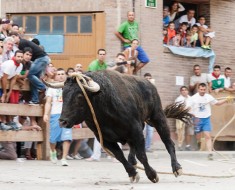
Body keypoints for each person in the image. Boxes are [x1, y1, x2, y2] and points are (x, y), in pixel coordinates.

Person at [188, 83, 230, 160]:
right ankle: (199, 142)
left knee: (207, 136)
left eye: (204, 90)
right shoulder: (193, 98)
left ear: (206, 89)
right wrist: (192, 114)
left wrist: (226, 100)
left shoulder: (208, 97)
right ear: (198, 89)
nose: (202, 91)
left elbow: (217, 103)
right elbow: (188, 108)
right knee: (198, 135)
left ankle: (210, 153)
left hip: (206, 118)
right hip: (197, 118)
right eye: (201, 89)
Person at [10, 32, 50, 105]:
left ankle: (44, 88)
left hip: (41, 58)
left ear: (18, 37)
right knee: (33, 81)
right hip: (41, 59)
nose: (13, 39)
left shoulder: (22, 43)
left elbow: (23, 54)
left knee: (30, 75)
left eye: (14, 36)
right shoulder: (21, 44)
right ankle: (35, 100)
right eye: (11, 37)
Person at [43, 68, 72, 166]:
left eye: (63, 74)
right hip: (55, 114)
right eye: (58, 74)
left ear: (66, 75)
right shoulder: (52, 88)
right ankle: (53, 151)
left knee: (67, 137)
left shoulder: (70, 87)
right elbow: (48, 102)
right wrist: (46, 114)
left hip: (67, 115)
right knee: (53, 139)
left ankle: (64, 158)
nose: (61, 76)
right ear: (55, 76)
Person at [175, 86, 194, 151]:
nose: (184, 91)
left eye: (185, 90)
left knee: (189, 131)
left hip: (189, 116)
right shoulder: (178, 99)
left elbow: (193, 107)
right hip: (181, 116)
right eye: (182, 90)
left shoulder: (191, 98)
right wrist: (185, 109)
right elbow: (177, 109)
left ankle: (188, 146)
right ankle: (180, 145)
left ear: (187, 91)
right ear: (181, 92)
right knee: (180, 131)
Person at [143, 73, 155, 152]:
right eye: (146, 78)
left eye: (149, 78)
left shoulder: (153, 90)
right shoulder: (140, 89)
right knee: (142, 132)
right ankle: (141, 148)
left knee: (150, 133)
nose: (148, 79)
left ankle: (147, 147)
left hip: (150, 115)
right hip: (142, 115)